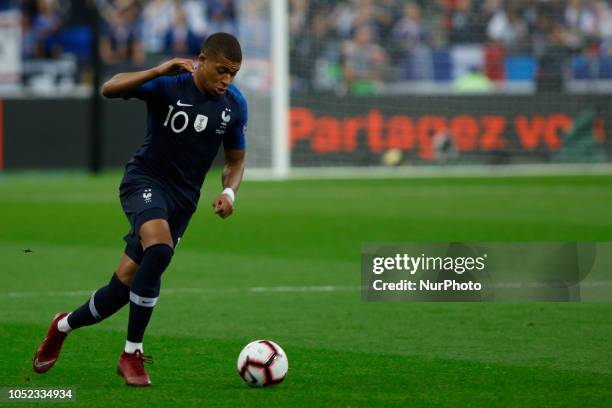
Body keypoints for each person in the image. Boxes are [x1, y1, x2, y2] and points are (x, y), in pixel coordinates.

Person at [31, 32, 247, 387]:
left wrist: (229, 192)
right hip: (144, 181)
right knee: (159, 249)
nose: (226, 80)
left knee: (122, 287)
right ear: (202, 59)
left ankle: (62, 325)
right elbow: (109, 88)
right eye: (221, 70)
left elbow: (235, 161)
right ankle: (131, 353)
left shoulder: (234, 105)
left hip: (182, 202)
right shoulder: (168, 85)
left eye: (233, 74)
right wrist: (155, 70)